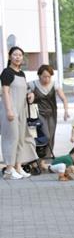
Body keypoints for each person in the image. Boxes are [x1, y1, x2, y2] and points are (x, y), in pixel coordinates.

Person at [1, 46, 37, 179]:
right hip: (10, 110)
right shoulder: (6, 72)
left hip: (22, 110)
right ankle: (9, 170)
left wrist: (31, 94)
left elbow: (25, 89)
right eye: (15, 55)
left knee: (21, 139)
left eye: (20, 55)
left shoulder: (21, 73)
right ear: (10, 56)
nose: (17, 57)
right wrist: (9, 110)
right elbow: (5, 92)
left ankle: (18, 166)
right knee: (11, 138)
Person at [29, 64, 70, 158]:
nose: (47, 79)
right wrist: (30, 96)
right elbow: (27, 97)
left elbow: (64, 98)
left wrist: (66, 111)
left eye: (49, 76)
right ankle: (39, 156)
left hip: (52, 113)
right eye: (44, 76)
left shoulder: (54, 84)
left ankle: (46, 157)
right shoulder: (33, 84)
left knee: (51, 136)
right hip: (38, 113)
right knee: (45, 135)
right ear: (39, 75)